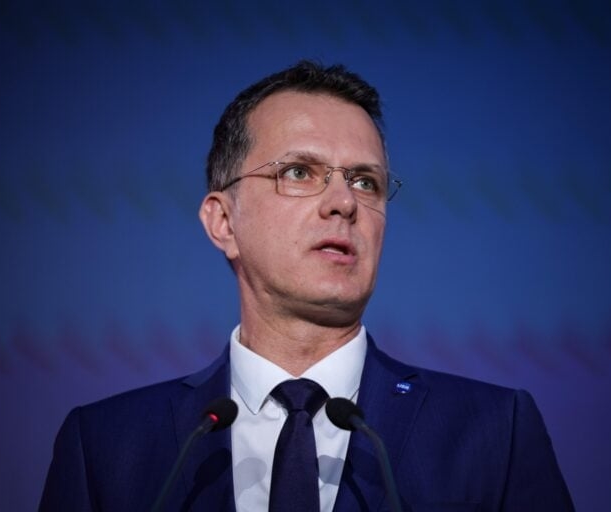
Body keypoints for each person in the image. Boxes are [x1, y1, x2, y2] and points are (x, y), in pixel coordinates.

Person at [39, 60, 574, 511]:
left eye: (365, 181)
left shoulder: (494, 433)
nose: (344, 203)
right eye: (298, 172)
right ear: (223, 222)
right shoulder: (107, 445)